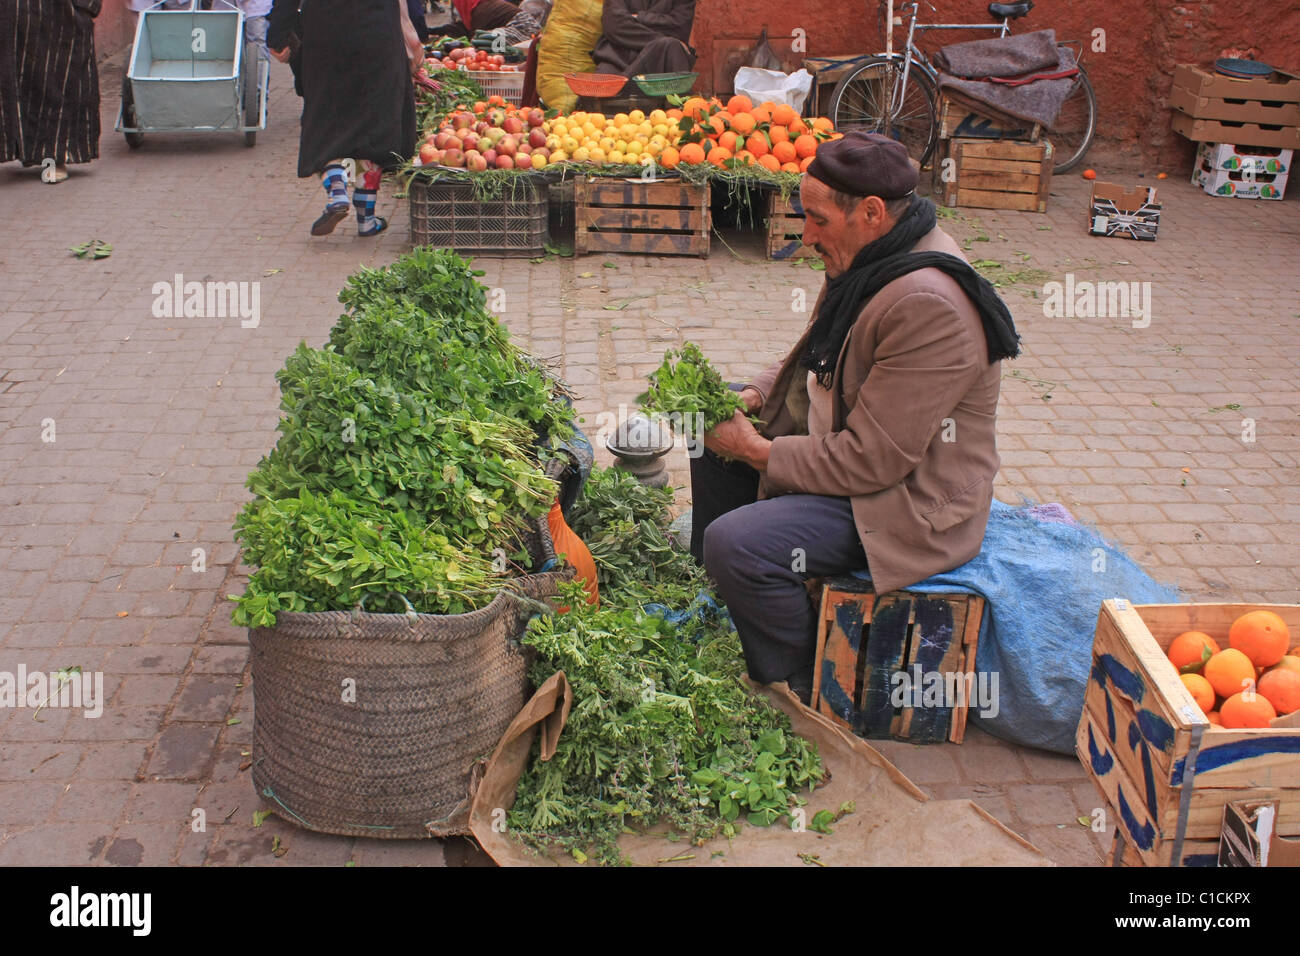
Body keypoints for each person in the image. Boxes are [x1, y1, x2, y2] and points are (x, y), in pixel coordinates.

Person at [691, 132, 1021, 703]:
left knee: (736, 542)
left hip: (905, 500)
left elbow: (874, 461)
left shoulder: (927, 303)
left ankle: (792, 681)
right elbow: (814, 353)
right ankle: (719, 596)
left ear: (870, 212)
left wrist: (755, 449)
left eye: (816, 219)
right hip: (859, 452)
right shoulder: (872, 255)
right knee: (709, 419)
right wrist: (751, 395)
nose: (806, 234)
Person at [269, 0, 422, 237]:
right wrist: (417, 29)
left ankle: (337, 192)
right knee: (376, 119)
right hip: (378, 29)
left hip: (326, 33)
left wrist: (278, 33)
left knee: (325, 118)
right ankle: (366, 217)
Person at [0, 0, 102, 183]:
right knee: (8, 83)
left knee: (57, 79)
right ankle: (12, 148)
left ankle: (56, 157)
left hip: (57, 13)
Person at [592, 0, 695, 77]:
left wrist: (638, 18)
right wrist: (660, 40)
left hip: (661, 59)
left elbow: (680, 27)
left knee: (673, 47)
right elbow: (614, 24)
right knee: (601, 86)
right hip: (619, 57)